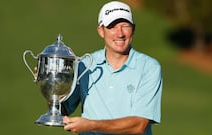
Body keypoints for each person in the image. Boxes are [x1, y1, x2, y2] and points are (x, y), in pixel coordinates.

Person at [61, 1, 163, 135]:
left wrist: (90, 125)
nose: (120, 33)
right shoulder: (85, 64)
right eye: (112, 26)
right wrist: (54, 84)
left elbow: (139, 124)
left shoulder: (149, 68)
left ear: (133, 29)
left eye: (125, 26)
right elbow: (63, 111)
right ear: (101, 31)